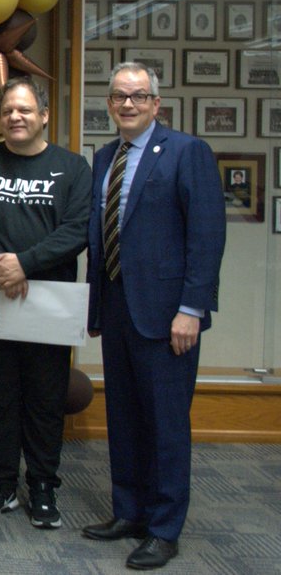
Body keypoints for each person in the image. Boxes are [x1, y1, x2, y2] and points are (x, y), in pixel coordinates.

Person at [83, 62, 226, 570]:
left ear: (156, 103)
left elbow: (206, 238)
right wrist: (97, 307)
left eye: (138, 96)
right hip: (119, 307)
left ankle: (165, 528)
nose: (128, 104)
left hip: (168, 315)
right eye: (119, 96)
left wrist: (192, 308)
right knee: (123, 417)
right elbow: (101, 239)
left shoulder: (187, 152)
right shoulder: (104, 158)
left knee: (165, 424)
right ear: (109, 103)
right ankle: (129, 512)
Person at [0, 78, 91, 529]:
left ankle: (42, 486)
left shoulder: (73, 168)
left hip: (48, 303)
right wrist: (1, 267)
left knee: (44, 398)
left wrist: (25, 264)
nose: (15, 117)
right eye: (8, 111)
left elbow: (77, 230)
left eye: (25, 110)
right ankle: (0, 485)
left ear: (45, 115)